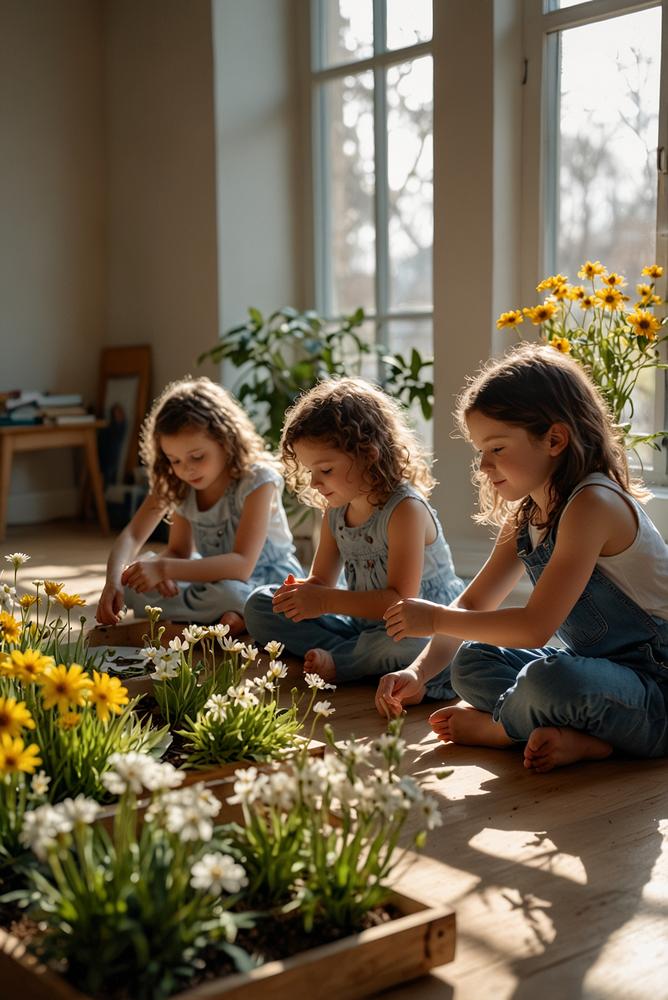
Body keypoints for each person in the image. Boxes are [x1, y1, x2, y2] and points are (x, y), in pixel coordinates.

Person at [376, 343, 668, 772]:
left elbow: (534, 628)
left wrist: (434, 618)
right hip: (598, 674)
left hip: (656, 689)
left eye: (496, 448)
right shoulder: (529, 513)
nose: (482, 465)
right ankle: (586, 738)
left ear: (554, 439)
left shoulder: (593, 504)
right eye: (480, 450)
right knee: (473, 661)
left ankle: (500, 729)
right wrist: (419, 673)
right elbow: (474, 604)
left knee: (549, 680)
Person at [244, 376, 464, 687]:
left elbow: (400, 601)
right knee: (260, 604)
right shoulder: (336, 511)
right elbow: (322, 581)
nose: (315, 483)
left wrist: (323, 601)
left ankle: (343, 660)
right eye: (310, 471)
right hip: (360, 626)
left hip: (417, 629)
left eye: (326, 470)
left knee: (404, 643)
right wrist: (304, 593)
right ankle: (351, 657)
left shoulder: (404, 510)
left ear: (368, 454)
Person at [95, 376, 302, 636]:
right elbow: (155, 542)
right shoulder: (179, 482)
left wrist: (162, 569)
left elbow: (242, 565)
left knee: (240, 595)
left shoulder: (257, 481)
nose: (186, 469)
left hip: (265, 580)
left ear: (225, 441)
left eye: (197, 456)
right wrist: (115, 580)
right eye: (174, 460)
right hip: (213, 580)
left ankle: (243, 614)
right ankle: (234, 617)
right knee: (136, 582)